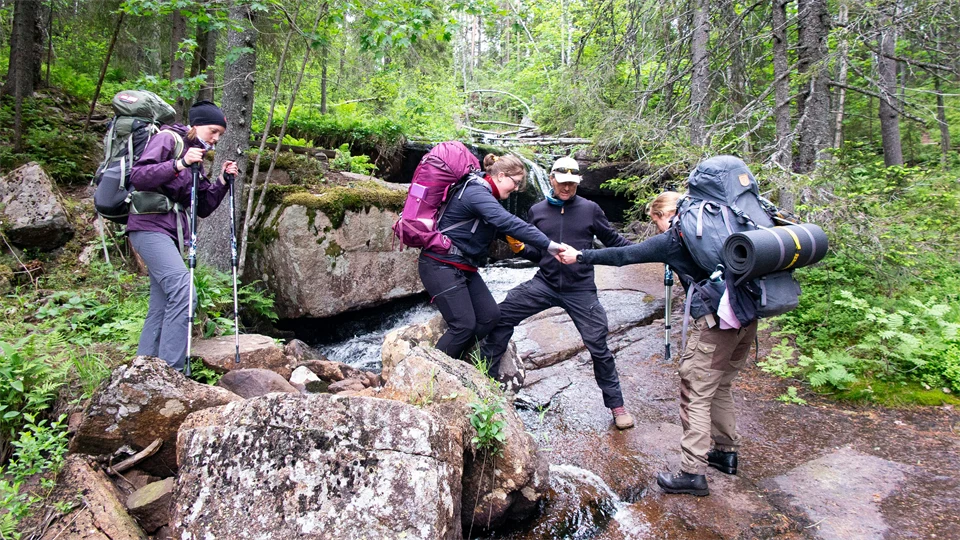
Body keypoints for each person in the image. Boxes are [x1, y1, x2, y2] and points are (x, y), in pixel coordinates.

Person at [559, 191, 756, 496]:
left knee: (696, 392)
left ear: (665, 215)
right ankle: (726, 453)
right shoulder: (721, 227)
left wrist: (581, 255)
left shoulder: (676, 237)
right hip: (747, 316)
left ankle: (692, 473)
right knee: (722, 386)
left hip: (718, 324)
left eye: (656, 221)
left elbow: (624, 256)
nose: (658, 228)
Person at [480, 156, 636, 430]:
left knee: (599, 347)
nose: (566, 189)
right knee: (501, 315)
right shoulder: (538, 210)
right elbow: (537, 253)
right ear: (551, 179)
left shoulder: (590, 209)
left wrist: (647, 251)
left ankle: (617, 406)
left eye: (572, 184)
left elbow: (615, 243)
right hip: (545, 283)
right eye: (562, 183)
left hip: (581, 289)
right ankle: (487, 384)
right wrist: (519, 248)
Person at [128, 100, 239, 372]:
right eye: (213, 131)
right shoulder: (167, 139)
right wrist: (178, 164)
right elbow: (139, 176)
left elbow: (201, 206)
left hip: (169, 232)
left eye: (220, 135)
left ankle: (145, 370)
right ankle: (172, 371)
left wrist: (223, 181)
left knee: (162, 301)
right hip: (147, 226)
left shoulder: (195, 158)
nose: (216, 139)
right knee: (184, 291)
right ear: (196, 125)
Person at [419, 153, 563, 362]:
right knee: (463, 326)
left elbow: (499, 230)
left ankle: (452, 361)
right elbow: (507, 222)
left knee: (490, 317)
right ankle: (427, 374)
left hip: (463, 267)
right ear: (501, 175)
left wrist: (525, 248)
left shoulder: (487, 195)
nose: (515, 189)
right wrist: (549, 245)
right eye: (515, 183)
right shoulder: (476, 192)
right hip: (440, 265)